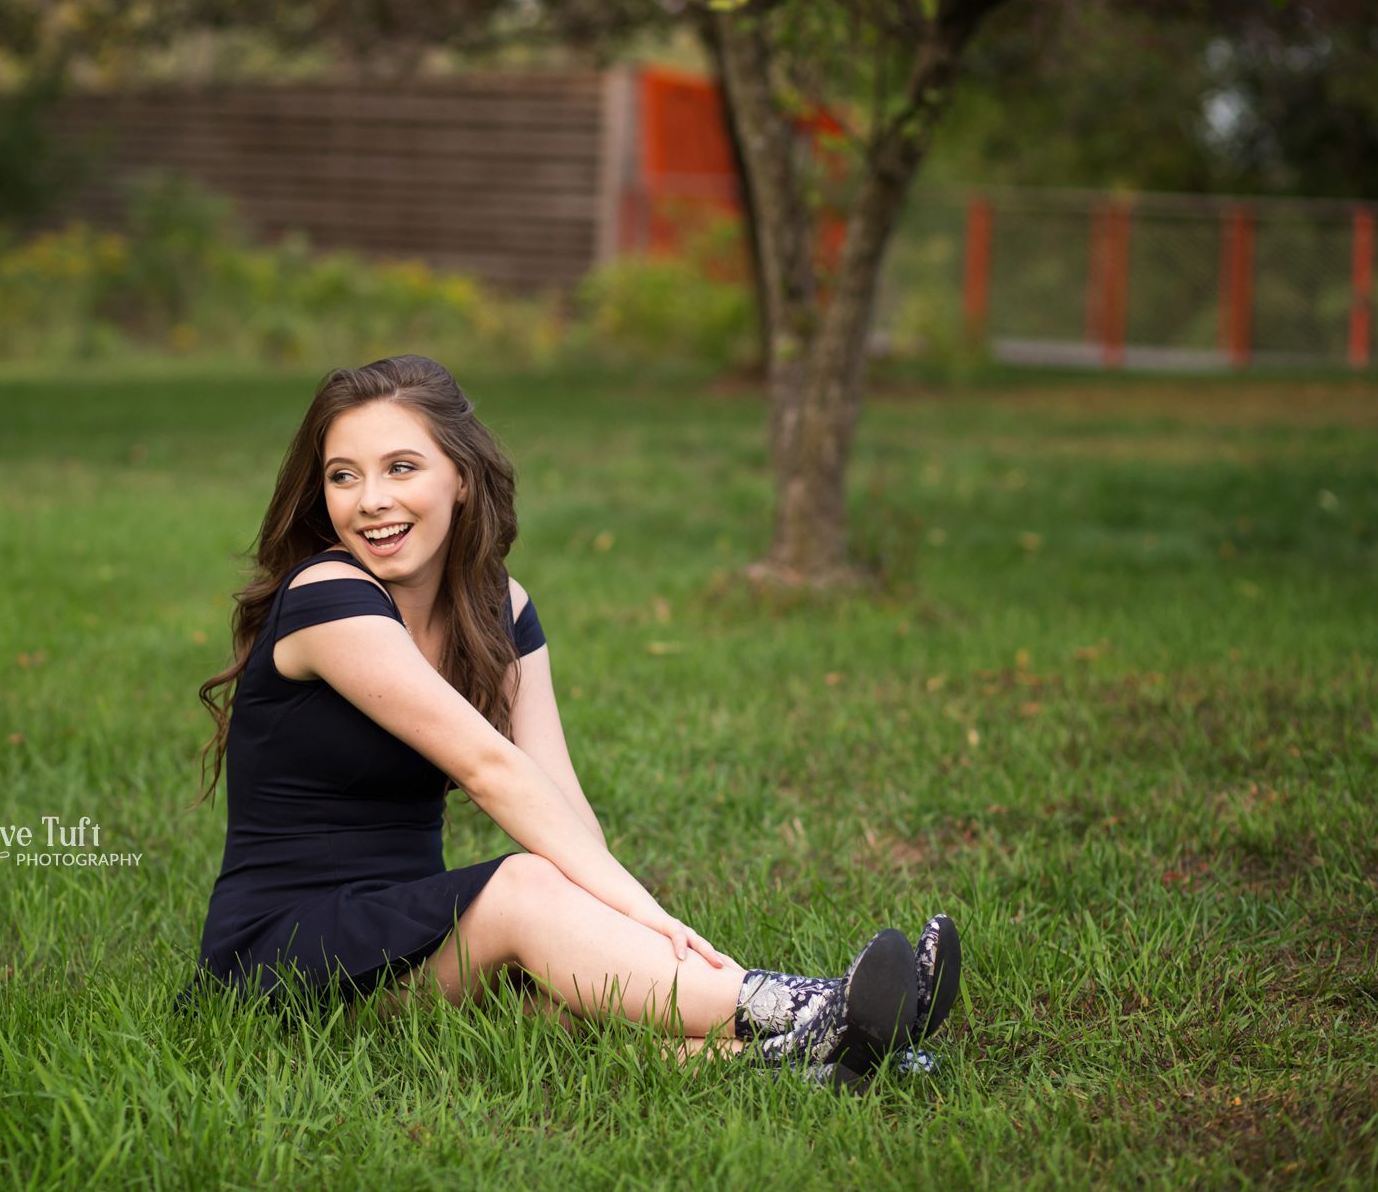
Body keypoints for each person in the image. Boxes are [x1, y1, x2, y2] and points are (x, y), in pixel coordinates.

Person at [176, 355, 961, 1090]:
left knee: (580, 993)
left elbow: (558, 797)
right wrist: (653, 915)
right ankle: (809, 1004)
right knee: (527, 887)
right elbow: (492, 770)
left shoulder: (499, 608)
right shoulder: (327, 594)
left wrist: (623, 923)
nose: (370, 499)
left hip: (412, 944)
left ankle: (825, 1057)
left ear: (461, 477)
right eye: (343, 476)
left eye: (401, 467)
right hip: (283, 960)